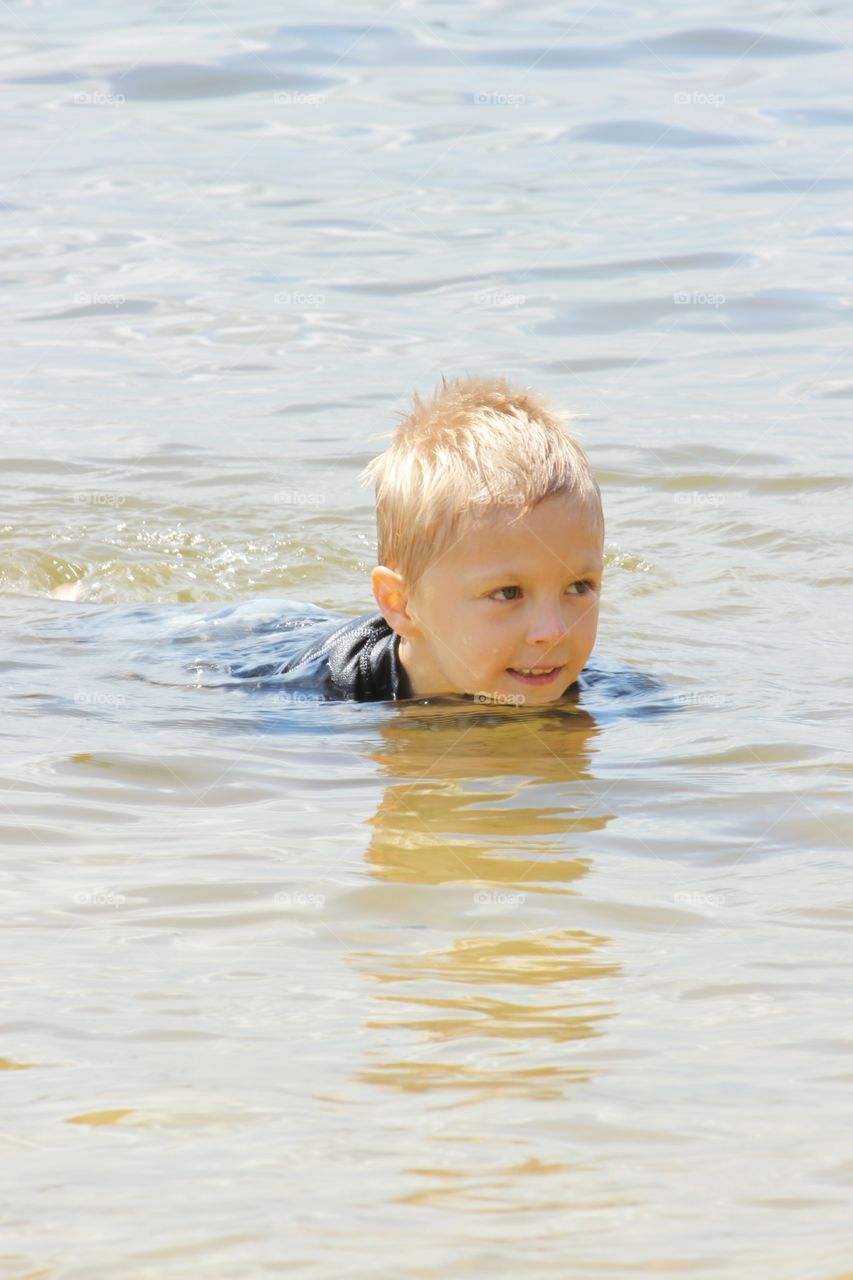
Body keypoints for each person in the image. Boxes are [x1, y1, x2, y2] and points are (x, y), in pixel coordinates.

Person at [261, 373, 605, 704]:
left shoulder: (606, 693)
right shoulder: (319, 697)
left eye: (578, 587)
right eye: (507, 593)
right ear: (401, 604)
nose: (555, 630)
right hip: (263, 636)